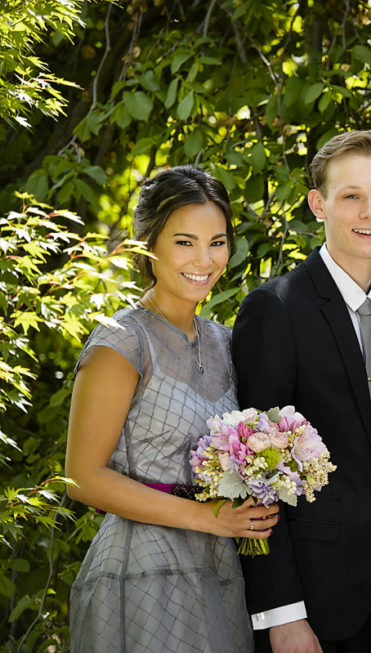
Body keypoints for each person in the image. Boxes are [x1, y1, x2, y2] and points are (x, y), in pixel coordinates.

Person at [66, 166, 278, 652]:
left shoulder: (227, 343)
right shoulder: (121, 343)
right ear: (148, 245)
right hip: (142, 569)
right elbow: (83, 476)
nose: (205, 260)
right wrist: (211, 519)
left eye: (217, 242)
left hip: (221, 570)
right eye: (185, 242)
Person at [232, 130, 371, 653]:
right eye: (351, 196)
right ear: (318, 204)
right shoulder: (276, 310)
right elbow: (255, 473)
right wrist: (282, 614)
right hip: (307, 603)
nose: (370, 212)